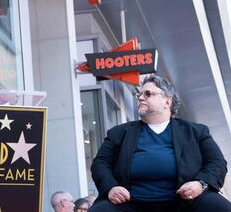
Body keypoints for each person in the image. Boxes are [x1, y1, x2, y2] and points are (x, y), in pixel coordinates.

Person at [88, 75, 231, 212]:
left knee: (220, 207)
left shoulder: (196, 132)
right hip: (130, 203)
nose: (141, 98)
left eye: (148, 94)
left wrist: (200, 184)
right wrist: (111, 187)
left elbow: (217, 162)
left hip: (184, 203)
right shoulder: (119, 133)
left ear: (167, 102)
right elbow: (100, 163)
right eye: (139, 95)